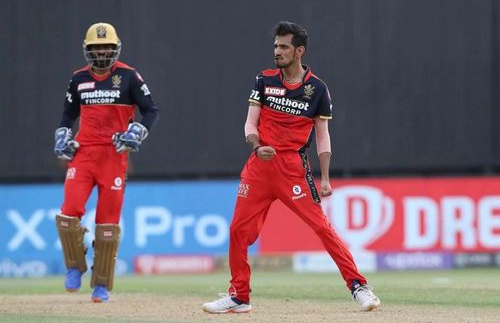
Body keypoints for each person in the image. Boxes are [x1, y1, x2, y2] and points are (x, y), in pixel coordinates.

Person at [202, 21, 380, 313]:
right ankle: (240, 296)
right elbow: (249, 123)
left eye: (284, 46)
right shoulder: (264, 80)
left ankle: (358, 286)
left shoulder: (317, 89)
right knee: (237, 230)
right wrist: (257, 146)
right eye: (275, 46)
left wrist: (325, 178)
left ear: (299, 51)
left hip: (293, 170)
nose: (277, 51)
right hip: (259, 167)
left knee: (322, 228)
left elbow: (322, 136)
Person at [53, 22, 159, 302]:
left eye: (106, 47)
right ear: (87, 50)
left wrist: (137, 131)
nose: (101, 52)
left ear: (115, 48)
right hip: (84, 154)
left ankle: (101, 284)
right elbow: (67, 114)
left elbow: (150, 110)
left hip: (114, 155)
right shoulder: (78, 79)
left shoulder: (129, 76)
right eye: (96, 47)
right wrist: (63, 134)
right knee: (68, 214)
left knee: (107, 224)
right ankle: (75, 266)